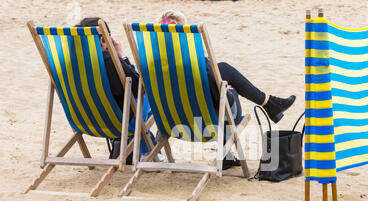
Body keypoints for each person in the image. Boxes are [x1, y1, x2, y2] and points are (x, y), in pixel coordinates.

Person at [158, 10, 296, 125]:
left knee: (220, 71)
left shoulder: (152, 65)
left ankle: (270, 103)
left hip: (173, 121)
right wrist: (225, 91)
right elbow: (214, 89)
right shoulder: (195, 62)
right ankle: (270, 104)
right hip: (210, 121)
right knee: (225, 79)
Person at [75, 17, 163, 162]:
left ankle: (146, 148)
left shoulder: (68, 63)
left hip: (83, 119)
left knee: (133, 90)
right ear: (104, 40)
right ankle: (147, 150)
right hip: (116, 122)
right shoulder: (108, 61)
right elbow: (138, 86)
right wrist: (121, 55)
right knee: (149, 88)